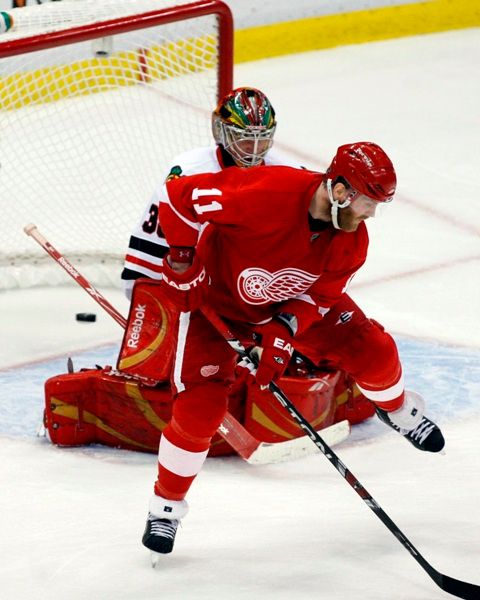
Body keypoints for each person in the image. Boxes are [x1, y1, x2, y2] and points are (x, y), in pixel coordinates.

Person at [140, 141, 445, 557]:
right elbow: (175, 197)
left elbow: (319, 297)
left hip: (284, 305)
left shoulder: (351, 242)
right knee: (200, 410)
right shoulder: (263, 191)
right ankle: (166, 507)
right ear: (339, 191)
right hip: (217, 302)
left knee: (373, 351)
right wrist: (181, 259)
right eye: (367, 203)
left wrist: (284, 331)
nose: (371, 214)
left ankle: (397, 410)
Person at [121, 86, 297, 299]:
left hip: (251, 291)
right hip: (191, 286)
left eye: (263, 138)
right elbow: (157, 238)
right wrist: (144, 290)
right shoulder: (190, 170)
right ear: (220, 130)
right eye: (244, 137)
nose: (254, 148)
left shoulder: (286, 172)